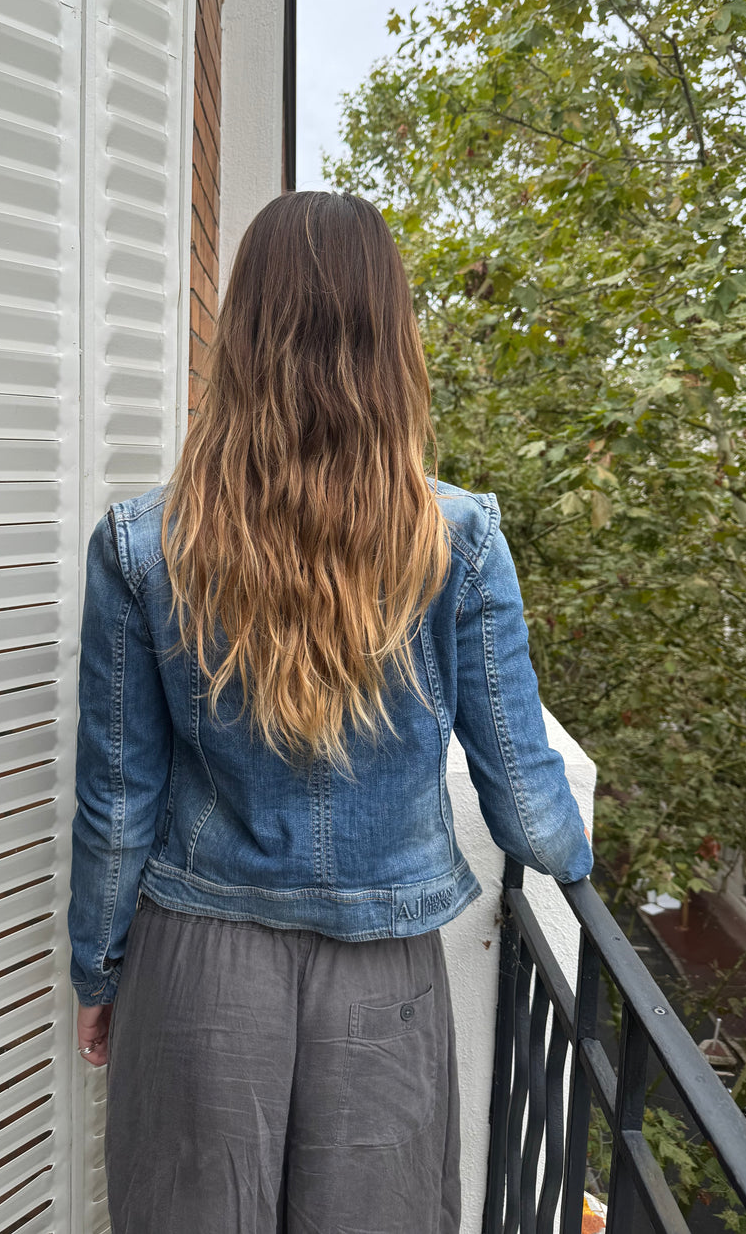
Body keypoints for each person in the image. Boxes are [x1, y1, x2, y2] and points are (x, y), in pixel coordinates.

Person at [68, 190, 593, 1233]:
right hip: (382, 973)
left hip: (200, 959)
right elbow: (525, 793)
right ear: (391, 340)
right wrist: (580, 875)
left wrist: (98, 966)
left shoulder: (144, 542)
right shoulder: (460, 540)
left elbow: (118, 799)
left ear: (242, 337)